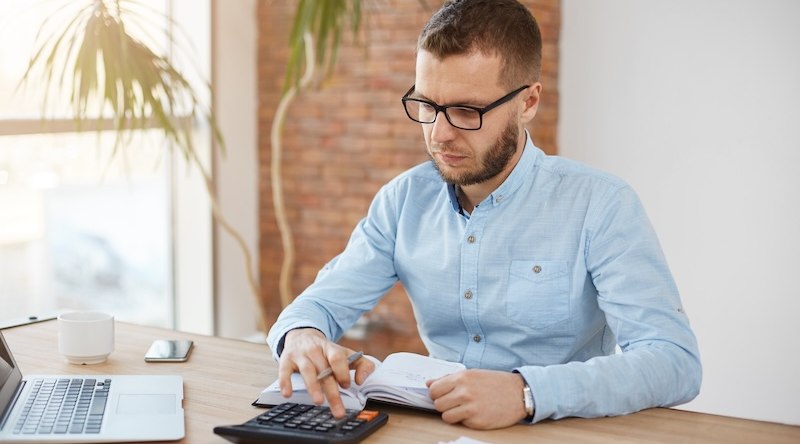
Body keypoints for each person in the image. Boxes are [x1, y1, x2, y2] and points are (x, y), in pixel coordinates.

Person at [267, 0, 701, 430]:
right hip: (438, 429)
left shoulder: (601, 205)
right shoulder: (403, 201)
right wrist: (303, 335)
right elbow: (319, 304)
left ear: (528, 102)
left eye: (466, 111)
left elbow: (674, 362)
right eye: (426, 106)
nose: (439, 134)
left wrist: (527, 392)